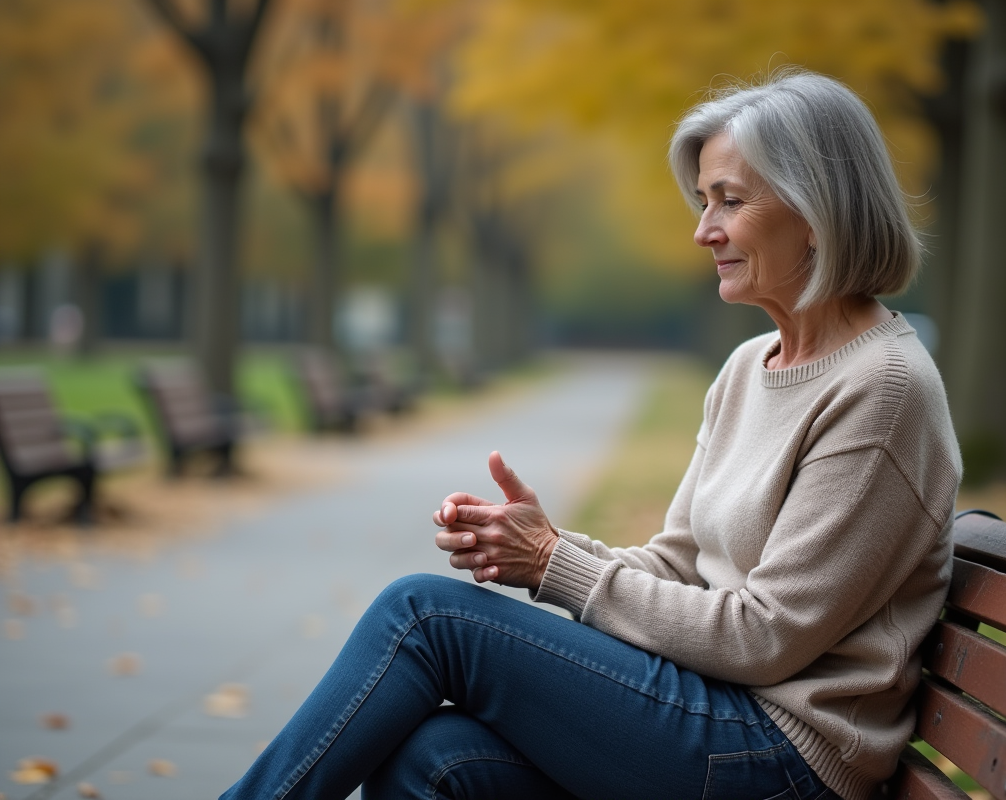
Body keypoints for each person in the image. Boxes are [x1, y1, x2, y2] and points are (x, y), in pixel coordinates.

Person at [221, 70, 962, 800]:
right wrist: (545, 547)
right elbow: (678, 563)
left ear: (816, 212)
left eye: (729, 202)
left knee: (426, 615)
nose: (703, 231)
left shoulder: (881, 388)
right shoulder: (748, 368)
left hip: (781, 761)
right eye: (704, 202)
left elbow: (763, 637)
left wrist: (552, 565)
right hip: (719, 719)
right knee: (432, 755)